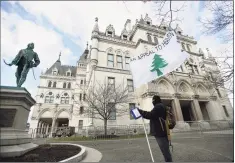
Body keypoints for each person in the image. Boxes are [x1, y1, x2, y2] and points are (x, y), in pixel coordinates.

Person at [138, 95, 173, 162]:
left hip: (160, 131)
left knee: (165, 150)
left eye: (152, 101)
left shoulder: (158, 106)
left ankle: (169, 161)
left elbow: (150, 115)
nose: (152, 102)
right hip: (162, 130)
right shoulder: (161, 106)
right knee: (165, 150)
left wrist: (139, 111)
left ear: (154, 100)